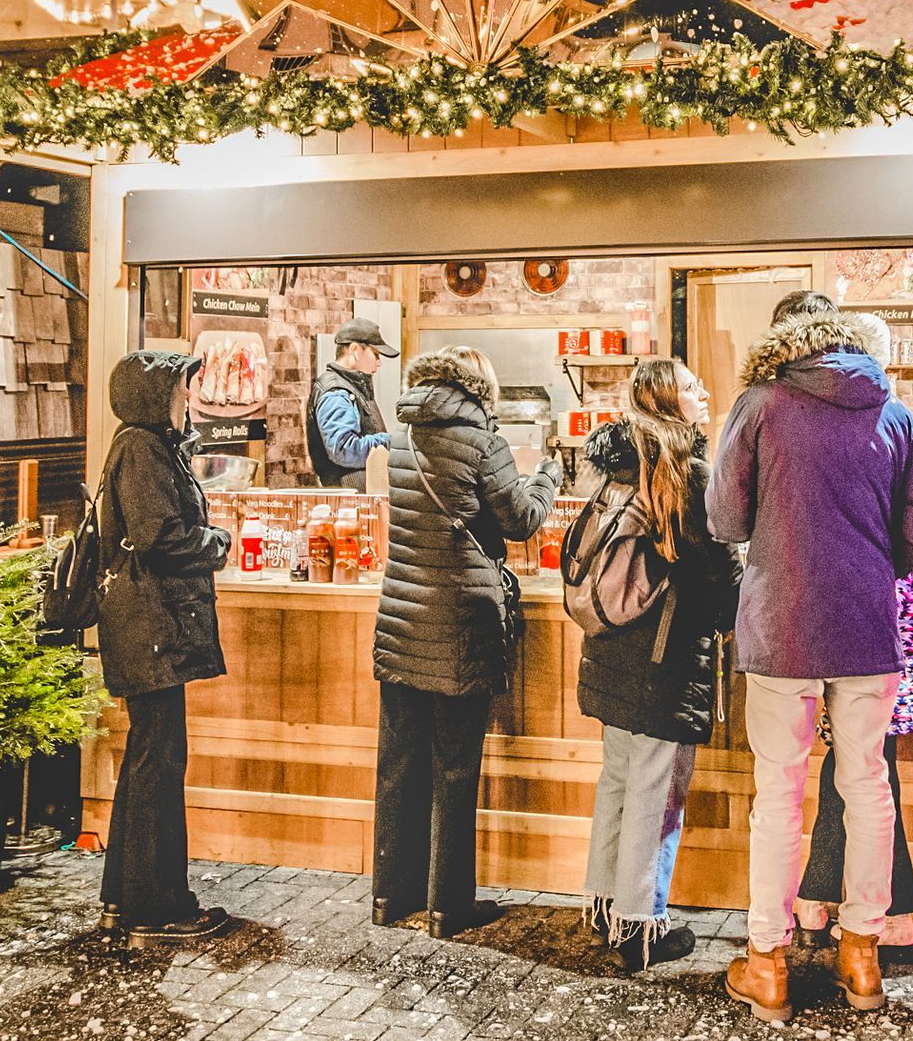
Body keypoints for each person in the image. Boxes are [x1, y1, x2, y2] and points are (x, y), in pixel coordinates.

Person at [707, 302, 913, 1023]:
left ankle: (767, 963)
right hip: (868, 627)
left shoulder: (759, 403)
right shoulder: (896, 414)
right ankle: (861, 954)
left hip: (781, 627)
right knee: (869, 783)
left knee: (778, 792)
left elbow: (722, 516)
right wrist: (873, 563)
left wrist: (779, 536)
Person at [372, 345, 562, 939]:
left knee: (399, 765)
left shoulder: (401, 437)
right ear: (480, 385)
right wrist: (549, 476)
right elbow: (522, 520)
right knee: (454, 767)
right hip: (459, 624)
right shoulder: (482, 439)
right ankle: (446, 906)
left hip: (401, 619)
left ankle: (389, 896)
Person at [575, 360, 741, 971]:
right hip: (661, 660)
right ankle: (641, 926)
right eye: (694, 386)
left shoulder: (621, 466)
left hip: (610, 655)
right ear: (671, 401)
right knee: (656, 795)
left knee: (618, 784)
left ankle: (603, 907)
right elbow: (715, 574)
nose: (705, 392)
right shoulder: (683, 473)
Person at [794, 313, 913, 952]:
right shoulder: (903, 430)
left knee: (859, 767)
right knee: (862, 767)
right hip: (897, 633)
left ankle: (869, 911)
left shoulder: (867, 435)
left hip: (869, 631)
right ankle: (862, 909)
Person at [95, 350, 233, 941]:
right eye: (181, 390)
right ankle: (158, 908)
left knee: (149, 758)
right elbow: (159, 536)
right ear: (156, 397)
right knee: (158, 762)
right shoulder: (142, 449)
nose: (189, 399)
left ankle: (126, 899)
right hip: (149, 629)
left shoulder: (148, 447)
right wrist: (216, 543)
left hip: (148, 629)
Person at [307, 318, 398, 489]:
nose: (379, 362)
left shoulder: (352, 387)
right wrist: (392, 442)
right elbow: (345, 450)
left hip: (360, 492)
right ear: (355, 350)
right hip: (348, 496)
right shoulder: (336, 393)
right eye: (376, 354)